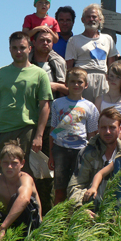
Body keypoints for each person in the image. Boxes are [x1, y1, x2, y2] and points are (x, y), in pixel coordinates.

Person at [0, 32, 53, 182]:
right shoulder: (0, 73)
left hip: (26, 131)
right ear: (9, 49)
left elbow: (45, 106)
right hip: (1, 130)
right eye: (14, 48)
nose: (18, 51)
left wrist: (39, 135)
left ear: (30, 48)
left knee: (24, 177)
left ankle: (22, 206)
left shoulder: (40, 74)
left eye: (22, 47)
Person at [48, 67, 99, 204]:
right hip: (60, 150)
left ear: (86, 85)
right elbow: (53, 130)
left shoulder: (90, 106)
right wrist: (51, 154)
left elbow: (92, 134)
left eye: (80, 82)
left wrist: (93, 155)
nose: (76, 85)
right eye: (72, 81)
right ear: (66, 84)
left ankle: (74, 217)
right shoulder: (57, 103)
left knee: (77, 187)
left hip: (81, 151)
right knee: (59, 189)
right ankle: (58, 220)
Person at [30, 29, 68, 215]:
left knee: (47, 168)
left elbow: (67, 88)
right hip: (28, 120)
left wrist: (48, 85)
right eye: (42, 40)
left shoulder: (57, 63)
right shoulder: (25, 60)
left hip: (52, 120)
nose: (45, 43)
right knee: (28, 166)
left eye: (49, 40)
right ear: (34, 42)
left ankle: (47, 211)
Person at [67, 107, 121, 208]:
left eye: (112, 127)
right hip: (91, 207)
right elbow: (75, 187)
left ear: (120, 129)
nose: (108, 132)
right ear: (98, 128)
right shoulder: (87, 153)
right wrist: (81, 209)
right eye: (103, 127)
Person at [65, 4, 119, 102]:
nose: (91, 19)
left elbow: (111, 65)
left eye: (94, 16)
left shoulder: (108, 39)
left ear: (100, 19)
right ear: (83, 20)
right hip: (82, 79)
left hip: (103, 79)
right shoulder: (74, 40)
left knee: (103, 113)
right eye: (88, 17)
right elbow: (69, 67)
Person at [95, 61, 121, 140]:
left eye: (118, 77)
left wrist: (117, 140)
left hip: (120, 140)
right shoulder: (99, 99)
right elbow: (96, 123)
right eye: (111, 76)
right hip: (103, 140)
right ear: (106, 77)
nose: (113, 79)